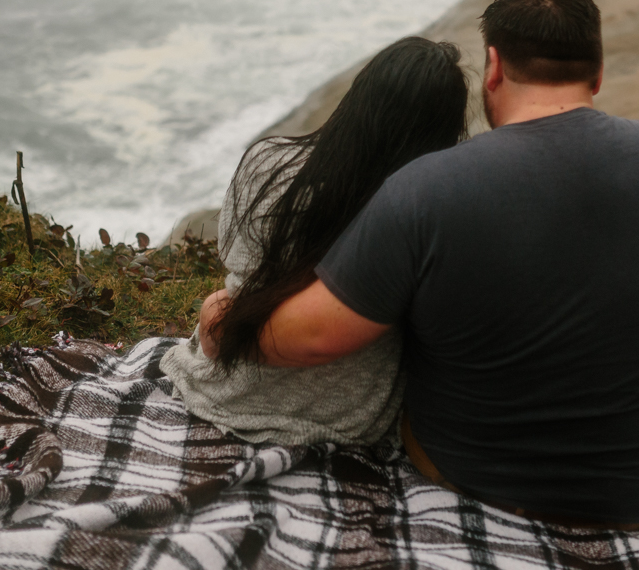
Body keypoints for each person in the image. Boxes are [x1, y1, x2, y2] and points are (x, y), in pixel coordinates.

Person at [200, 0, 639, 527]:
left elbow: (313, 339)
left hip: (468, 474)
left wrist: (228, 321)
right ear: (598, 74)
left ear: (492, 68)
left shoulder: (427, 187)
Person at [162, 35, 469, 446]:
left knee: (217, 303)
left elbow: (235, 262)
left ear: (359, 99)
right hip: (346, 420)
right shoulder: (426, 211)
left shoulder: (265, 161)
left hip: (225, 390)